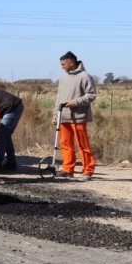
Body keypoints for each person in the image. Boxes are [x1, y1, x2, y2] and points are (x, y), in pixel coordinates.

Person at [54, 51, 97, 181]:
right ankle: (68, 169)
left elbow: (91, 95)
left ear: (71, 63)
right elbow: (59, 97)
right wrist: (55, 114)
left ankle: (87, 171)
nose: (62, 67)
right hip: (63, 116)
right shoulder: (63, 78)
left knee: (82, 144)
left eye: (63, 64)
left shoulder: (85, 76)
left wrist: (74, 102)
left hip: (79, 116)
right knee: (65, 144)